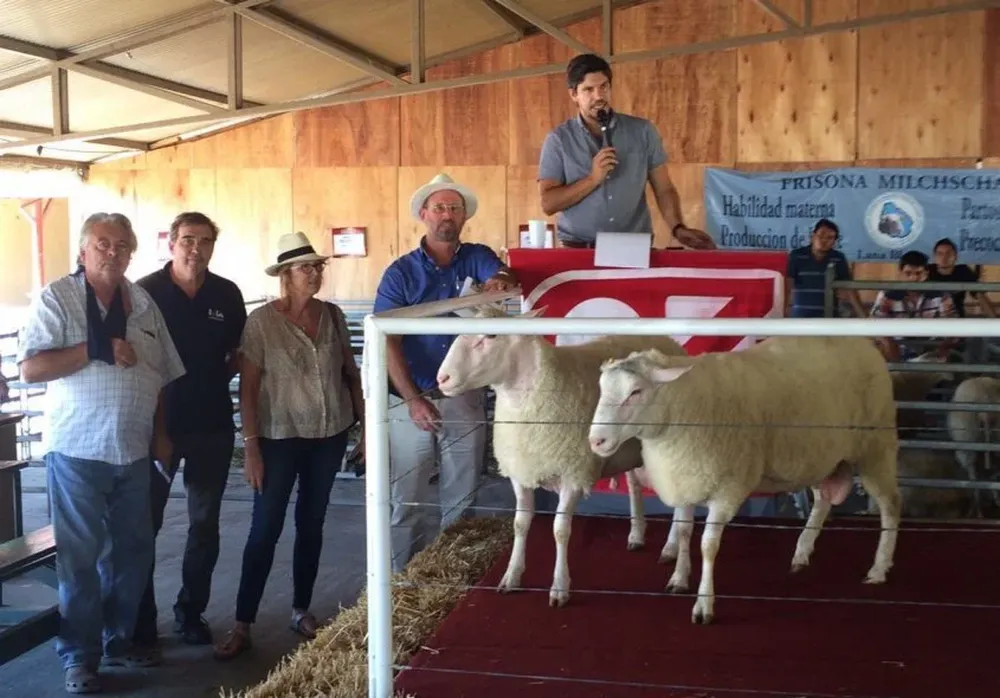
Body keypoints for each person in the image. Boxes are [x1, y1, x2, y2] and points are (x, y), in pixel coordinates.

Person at [16, 212, 185, 694]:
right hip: (77, 450)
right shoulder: (58, 297)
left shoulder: (144, 304)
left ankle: (117, 640)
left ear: (132, 251)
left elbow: (160, 374)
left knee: (133, 553)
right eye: (102, 244)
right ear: (83, 251)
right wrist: (96, 348)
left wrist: (160, 435)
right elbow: (30, 369)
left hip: (132, 450)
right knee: (79, 557)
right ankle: (79, 656)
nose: (113, 252)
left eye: (121, 245)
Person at [213, 232, 363, 661]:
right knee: (265, 527)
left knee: (311, 524)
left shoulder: (333, 316)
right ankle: (243, 621)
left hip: (328, 435)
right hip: (278, 439)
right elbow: (249, 387)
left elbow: (350, 374)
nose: (313, 274)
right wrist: (252, 447)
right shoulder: (261, 323)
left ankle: (301, 609)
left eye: (317, 267)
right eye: (304, 268)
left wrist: (366, 429)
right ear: (284, 275)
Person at [373, 173, 518, 572]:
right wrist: (413, 400)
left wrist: (499, 281)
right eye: (439, 207)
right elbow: (387, 338)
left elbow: (502, 276)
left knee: (463, 492)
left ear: (464, 216)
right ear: (424, 214)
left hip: (463, 394)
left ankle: (450, 578)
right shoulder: (400, 273)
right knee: (408, 494)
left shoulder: (476, 255)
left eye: (455, 208)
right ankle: (403, 579)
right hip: (410, 396)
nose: (447, 215)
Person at [131, 212, 247, 653]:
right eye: (186, 240)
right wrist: (158, 429)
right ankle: (142, 621)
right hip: (157, 428)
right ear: (170, 243)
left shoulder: (226, 294)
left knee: (204, 525)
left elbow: (237, 354)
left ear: (213, 245)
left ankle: (190, 612)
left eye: (204, 240)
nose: (194, 248)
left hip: (212, 425)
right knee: (146, 525)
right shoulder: (144, 293)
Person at [537, 53, 716, 251]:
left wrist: (677, 227)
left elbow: (664, 188)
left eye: (603, 87)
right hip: (579, 250)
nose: (599, 96)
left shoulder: (642, 131)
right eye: (588, 89)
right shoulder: (559, 140)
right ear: (574, 95)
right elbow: (548, 204)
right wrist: (593, 179)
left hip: (633, 249)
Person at [871, 250, 959, 361]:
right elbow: (876, 327)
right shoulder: (887, 295)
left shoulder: (941, 295)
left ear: (926, 274)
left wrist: (939, 352)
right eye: (908, 273)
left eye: (918, 273)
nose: (913, 278)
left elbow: (953, 329)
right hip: (895, 353)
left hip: (931, 354)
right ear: (900, 273)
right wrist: (896, 361)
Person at [785, 219, 865, 318]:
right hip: (801, 319)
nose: (824, 240)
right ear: (812, 236)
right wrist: (783, 311)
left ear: (835, 242)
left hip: (828, 319)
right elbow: (787, 285)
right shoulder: (797, 256)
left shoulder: (838, 258)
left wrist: (864, 318)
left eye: (830, 238)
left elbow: (849, 288)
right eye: (821, 235)